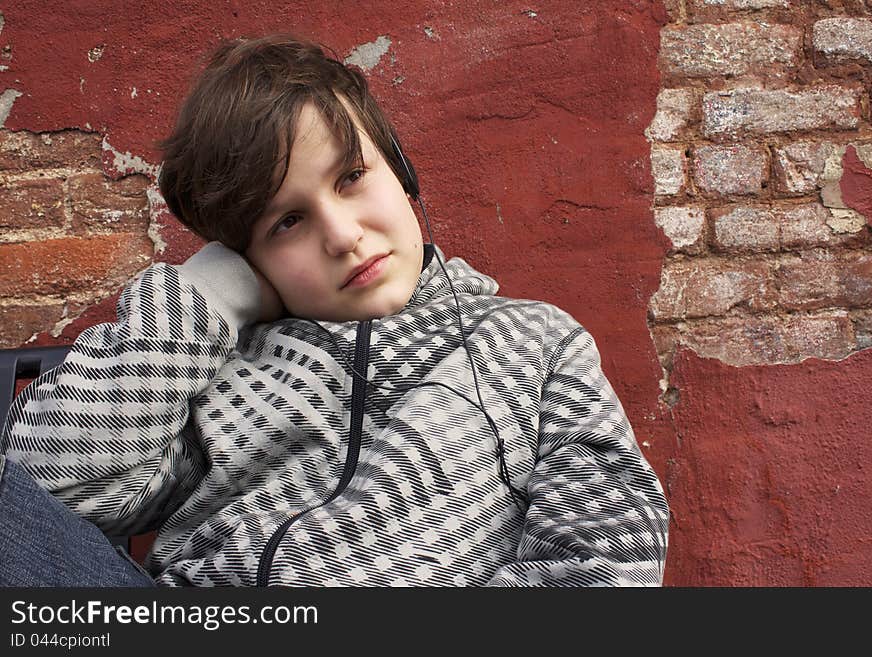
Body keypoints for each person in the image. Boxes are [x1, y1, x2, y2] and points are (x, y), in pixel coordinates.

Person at [1, 34, 670, 587]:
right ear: (248, 258)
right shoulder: (221, 371)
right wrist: (205, 299)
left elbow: (607, 562)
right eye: (288, 221)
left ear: (402, 171)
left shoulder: (534, 347)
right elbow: (46, 487)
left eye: (351, 177)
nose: (344, 235)